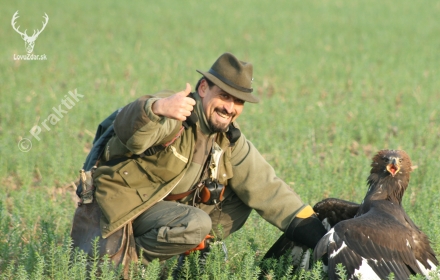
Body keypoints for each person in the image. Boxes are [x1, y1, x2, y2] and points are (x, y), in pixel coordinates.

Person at [79, 53, 326, 266]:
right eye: (225, 96)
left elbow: (268, 188)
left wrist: (326, 241)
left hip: (164, 210)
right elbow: (132, 135)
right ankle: (131, 265)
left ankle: (189, 255)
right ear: (204, 89)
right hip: (124, 207)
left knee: (243, 195)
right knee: (197, 223)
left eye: (238, 101)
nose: (230, 107)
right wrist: (156, 109)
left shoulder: (227, 138)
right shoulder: (176, 112)